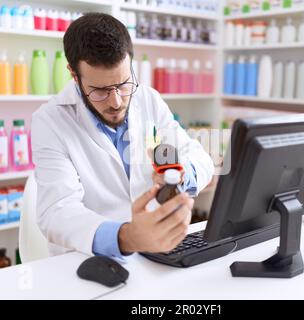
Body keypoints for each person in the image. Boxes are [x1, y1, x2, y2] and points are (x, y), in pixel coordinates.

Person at [31, 13, 214, 260]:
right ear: (74, 75)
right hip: (87, 262)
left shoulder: (148, 99)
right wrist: (126, 237)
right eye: (100, 90)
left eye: (124, 84)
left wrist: (182, 174)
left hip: (153, 254)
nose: (116, 101)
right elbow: (57, 212)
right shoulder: (50, 120)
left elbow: (199, 157)